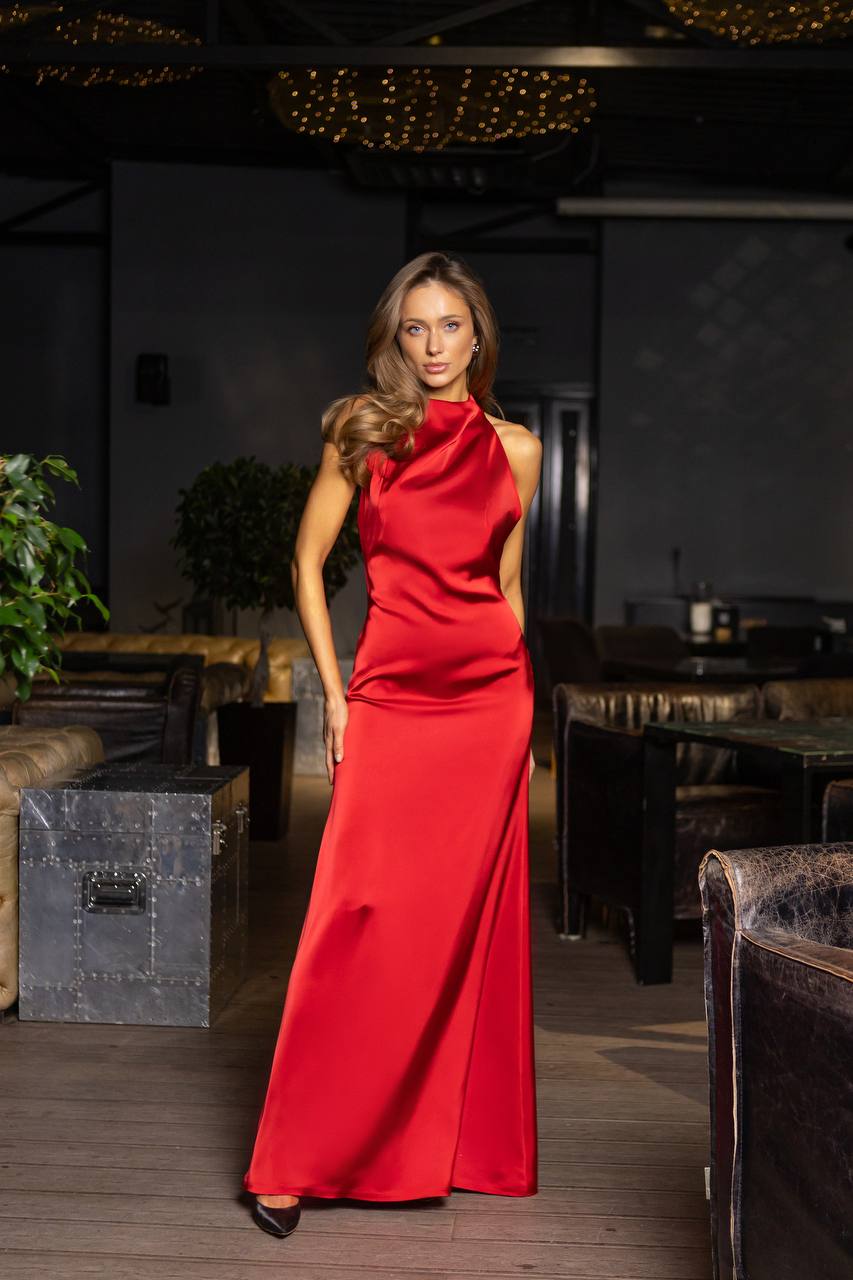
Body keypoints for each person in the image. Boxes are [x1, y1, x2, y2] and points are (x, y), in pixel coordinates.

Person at [243, 250, 542, 1240]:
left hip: (488, 701)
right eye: (414, 327)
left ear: (477, 333)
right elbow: (306, 560)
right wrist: (334, 695)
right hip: (387, 698)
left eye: (449, 324)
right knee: (355, 914)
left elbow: (504, 586)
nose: (433, 345)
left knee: (458, 928)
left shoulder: (517, 448)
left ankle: (451, 1142)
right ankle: (293, 1155)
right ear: (394, 339)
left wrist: (523, 700)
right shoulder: (358, 432)